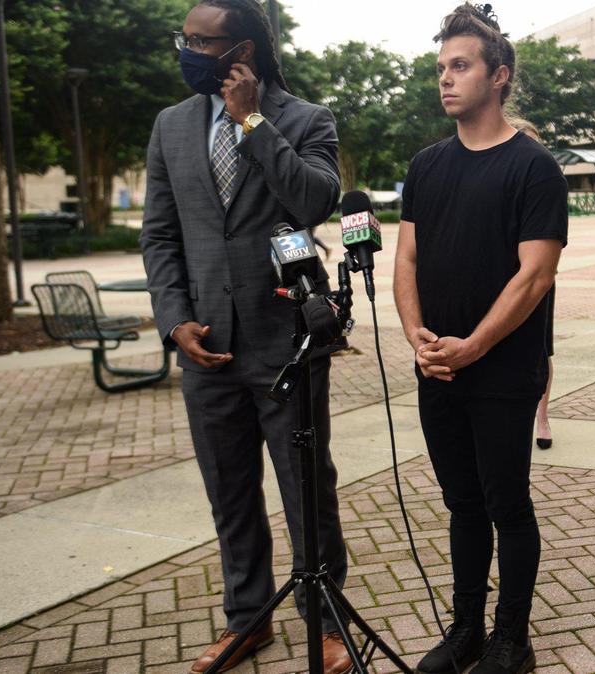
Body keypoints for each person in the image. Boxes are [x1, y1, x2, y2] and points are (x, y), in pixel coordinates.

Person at [138, 1, 350, 672]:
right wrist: (175, 322)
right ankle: (247, 619)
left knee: (304, 488)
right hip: (206, 346)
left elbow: (316, 200)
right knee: (229, 493)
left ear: (244, 51)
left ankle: (328, 622)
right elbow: (160, 235)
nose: (190, 50)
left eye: (205, 42)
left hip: (284, 340)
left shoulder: (305, 119)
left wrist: (252, 120)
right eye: (187, 40)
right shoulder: (170, 125)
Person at [393, 4, 567, 673]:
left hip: (503, 370)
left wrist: (474, 345)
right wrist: (418, 337)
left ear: (499, 76)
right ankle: (465, 626)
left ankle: (511, 637)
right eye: (440, 68)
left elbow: (535, 276)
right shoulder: (428, 165)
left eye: (459, 66)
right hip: (438, 367)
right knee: (461, 503)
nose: (445, 80)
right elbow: (406, 260)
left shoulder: (533, 168)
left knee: (506, 502)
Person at [508, 116, 557, 450]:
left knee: (542, 348)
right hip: (499, 279)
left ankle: (542, 415)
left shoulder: (545, 183)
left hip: (537, 280)